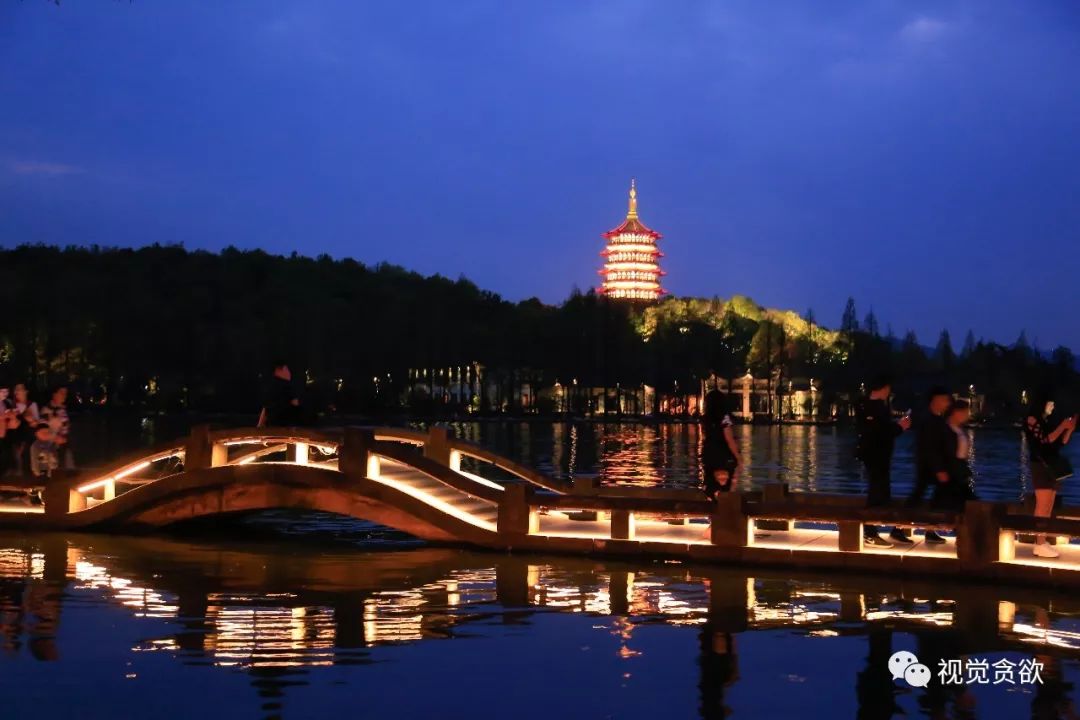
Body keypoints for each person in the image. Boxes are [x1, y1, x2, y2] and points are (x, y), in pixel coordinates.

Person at [855, 374, 912, 547]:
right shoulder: (875, 407)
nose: (889, 392)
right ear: (884, 388)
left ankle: (891, 529)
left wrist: (895, 426)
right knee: (877, 492)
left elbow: (877, 430)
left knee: (881, 491)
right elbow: (880, 433)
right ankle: (870, 532)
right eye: (888, 388)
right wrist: (899, 427)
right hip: (876, 454)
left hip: (875, 454)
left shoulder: (865, 404)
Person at [1023, 393, 1076, 558]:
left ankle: (1042, 539)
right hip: (1040, 465)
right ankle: (1039, 543)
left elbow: (1059, 443)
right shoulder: (1032, 420)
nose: (1052, 407)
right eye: (1049, 404)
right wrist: (1061, 427)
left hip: (1051, 465)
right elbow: (1043, 441)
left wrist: (1069, 429)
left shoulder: (1046, 421)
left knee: (1049, 505)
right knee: (1042, 505)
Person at [909, 386, 953, 544]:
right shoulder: (929, 420)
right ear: (936, 400)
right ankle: (901, 528)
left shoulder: (935, 419)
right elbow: (929, 447)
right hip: (929, 467)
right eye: (945, 399)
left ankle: (929, 529)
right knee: (921, 497)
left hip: (930, 466)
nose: (948, 403)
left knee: (922, 496)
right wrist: (939, 468)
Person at [934, 399, 976, 511]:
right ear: (957, 412)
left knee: (960, 498)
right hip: (951, 469)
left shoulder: (959, 430)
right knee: (959, 499)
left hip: (960, 468)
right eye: (966, 412)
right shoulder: (945, 429)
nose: (967, 415)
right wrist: (940, 469)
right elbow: (937, 451)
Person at [700, 389, 741, 500]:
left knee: (710, 479)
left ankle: (711, 498)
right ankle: (726, 501)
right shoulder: (724, 418)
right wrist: (738, 457)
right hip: (723, 453)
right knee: (729, 479)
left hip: (708, 454)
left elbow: (706, 437)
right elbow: (729, 439)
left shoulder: (705, 419)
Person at [257, 361, 301, 428]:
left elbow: (265, 408)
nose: (289, 373)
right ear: (283, 369)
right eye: (288, 370)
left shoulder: (270, 386)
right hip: (286, 428)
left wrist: (259, 425)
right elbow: (295, 404)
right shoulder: (288, 386)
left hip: (272, 427)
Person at [39, 386, 73, 469]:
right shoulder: (47, 410)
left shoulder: (62, 409)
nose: (64, 395)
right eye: (61, 393)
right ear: (54, 394)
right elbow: (43, 430)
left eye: (65, 393)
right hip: (53, 444)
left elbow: (66, 426)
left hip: (64, 442)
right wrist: (56, 438)